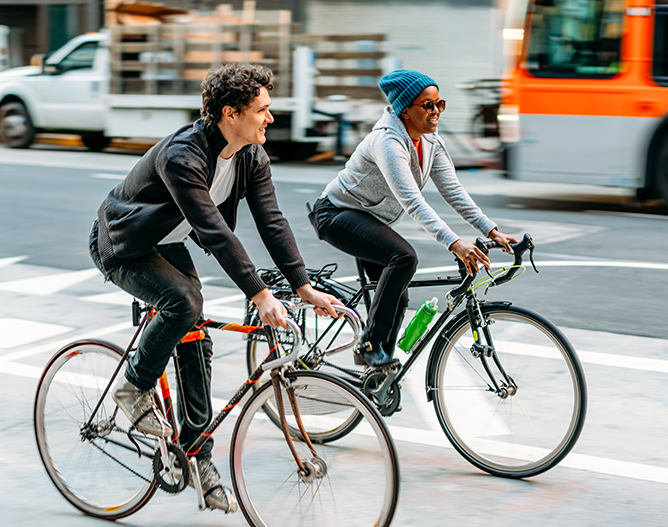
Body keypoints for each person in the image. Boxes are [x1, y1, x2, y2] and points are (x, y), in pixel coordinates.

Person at [88, 63, 339, 513]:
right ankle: (133, 386)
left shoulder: (251, 157)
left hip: (168, 242)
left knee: (196, 339)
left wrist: (303, 288)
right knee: (183, 303)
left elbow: (272, 222)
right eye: (262, 109)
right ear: (230, 113)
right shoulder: (183, 155)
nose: (270, 118)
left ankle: (197, 456)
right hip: (124, 244)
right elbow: (216, 231)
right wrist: (260, 295)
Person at [309, 69, 517, 368]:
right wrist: (454, 243)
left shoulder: (430, 142)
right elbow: (412, 201)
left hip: (370, 219)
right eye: (427, 105)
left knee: (399, 297)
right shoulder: (387, 143)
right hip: (336, 214)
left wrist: (490, 229)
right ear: (405, 110)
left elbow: (453, 191)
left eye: (439, 104)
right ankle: (368, 346)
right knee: (404, 257)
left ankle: (379, 370)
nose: (436, 112)